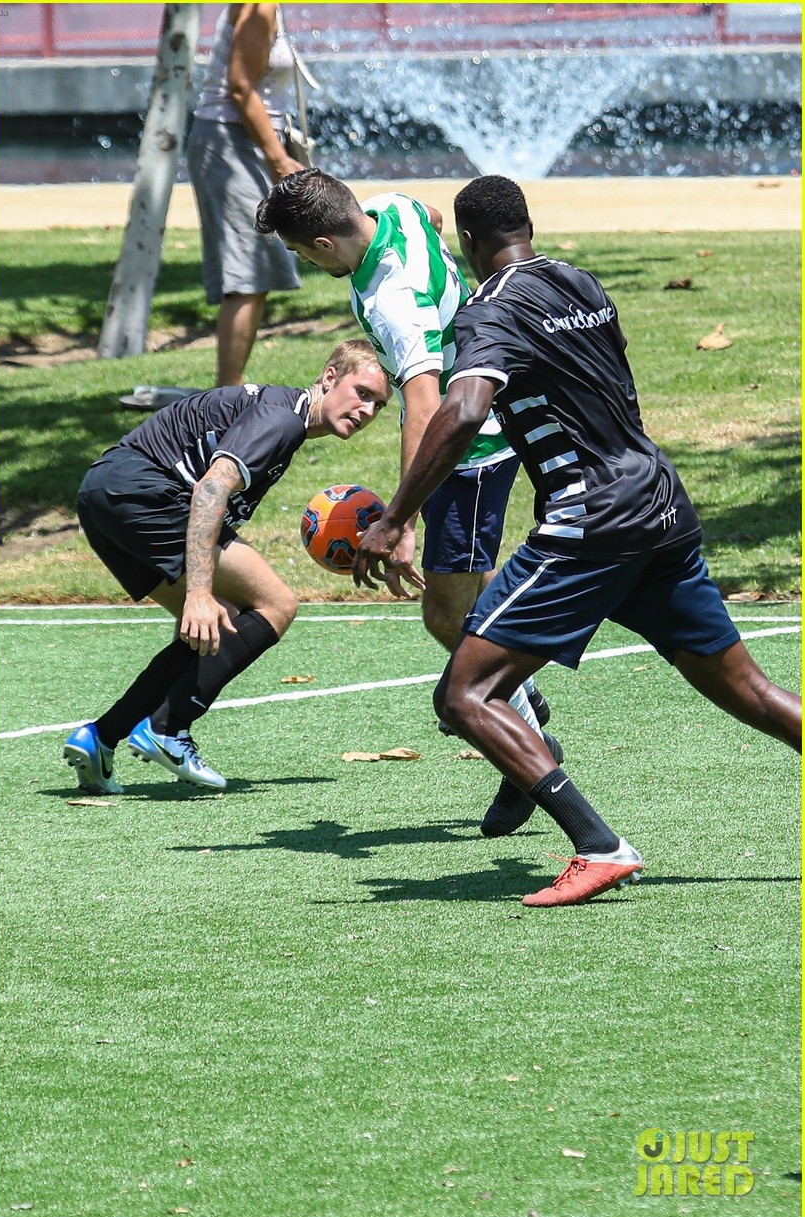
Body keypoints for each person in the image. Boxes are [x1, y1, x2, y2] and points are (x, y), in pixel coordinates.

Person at [352, 174, 802, 908]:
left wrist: (397, 513)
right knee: (749, 690)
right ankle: (586, 835)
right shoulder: (581, 282)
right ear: (524, 225)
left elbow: (463, 409)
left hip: (590, 520)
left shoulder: (485, 310)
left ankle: (599, 847)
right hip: (659, 502)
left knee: (464, 695)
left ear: (467, 242)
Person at [254, 168, 558, 832]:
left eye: (304, 253)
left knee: (448, 617)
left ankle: (530, 748)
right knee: (465, 606)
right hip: (475, 429)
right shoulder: (392, 208)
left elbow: (423, 403)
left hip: (469, 451)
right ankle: (524, 703)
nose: (306, 264)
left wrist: (400, 520)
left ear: (327, 243)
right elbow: (431, 214)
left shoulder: (393, 302)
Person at [63, 340, 390, 794]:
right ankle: (169, 726)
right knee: (276, 604)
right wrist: (197, 592)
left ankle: (101, 736)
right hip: (145, 494)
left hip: (100, 493)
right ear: (329, 377)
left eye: (379, 403)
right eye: (362, 392)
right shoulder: (283, 420)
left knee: (220, 624)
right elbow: (211, 490)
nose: (368, 409)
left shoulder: (278, 411)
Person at [186, 4, 306, 387]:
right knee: (248, 274)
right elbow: (239, 86)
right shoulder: (259, 7)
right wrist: (278, 158)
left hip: (243, 141)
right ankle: (227, 397)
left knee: (256, 271)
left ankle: (228, 390)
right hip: (230, 143)